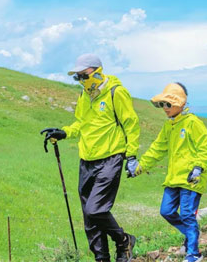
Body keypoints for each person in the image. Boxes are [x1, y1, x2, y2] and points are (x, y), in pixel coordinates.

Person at [41, 53, 140, 262]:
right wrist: (64, 132)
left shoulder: (116, 93)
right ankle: (101, 258)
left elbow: (131, 123)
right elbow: (80, 124)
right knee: (89, 217)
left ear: (97, 72)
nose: (81, 81)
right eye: (77, 77)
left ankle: (124, 241)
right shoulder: (84, 96)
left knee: (96, 209)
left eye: (84, 76)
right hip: (87, 160)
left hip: (111, 158)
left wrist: (131, 156)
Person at [129, 82, 207, 262]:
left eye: (168, 104)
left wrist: (198, 167)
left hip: (191, 178)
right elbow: (157, 149)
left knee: (187, 214)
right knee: (166, 211)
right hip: (174, 178)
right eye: (162, 105)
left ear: (180, 103)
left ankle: (194, 253)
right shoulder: (169, 126)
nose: (164, 108)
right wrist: (139, 167)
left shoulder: (193, 123)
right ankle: (192, 235)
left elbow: (206, 148)